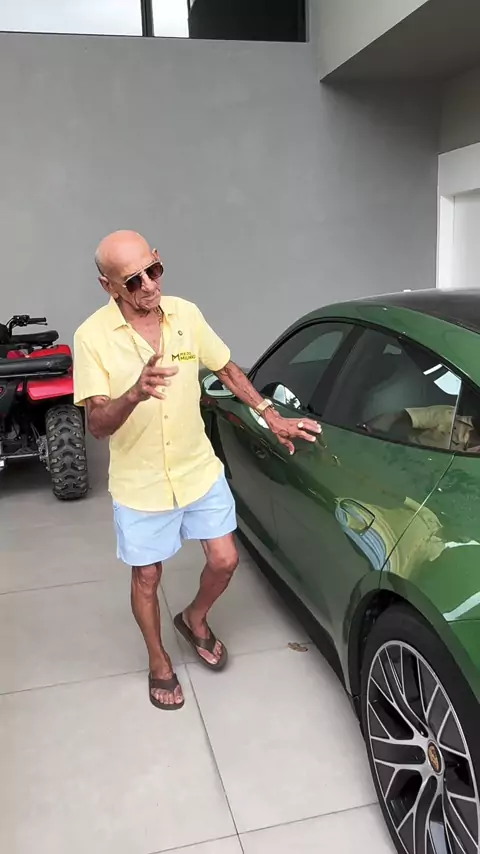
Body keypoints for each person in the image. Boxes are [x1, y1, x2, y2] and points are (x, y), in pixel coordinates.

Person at [74, 230, 322, 711]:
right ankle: (158, 661)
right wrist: (134, 393)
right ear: (108, 286)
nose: (149, 284)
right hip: (141, 482)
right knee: (147, 577)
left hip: (196, 468)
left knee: (225, 560)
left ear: (158, 260)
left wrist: (271, 417)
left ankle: (194, 617)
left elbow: (226, 369)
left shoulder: (186, 314)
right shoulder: (92, 337)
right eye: (133, 280)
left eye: (153, 270)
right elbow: (97, 425)